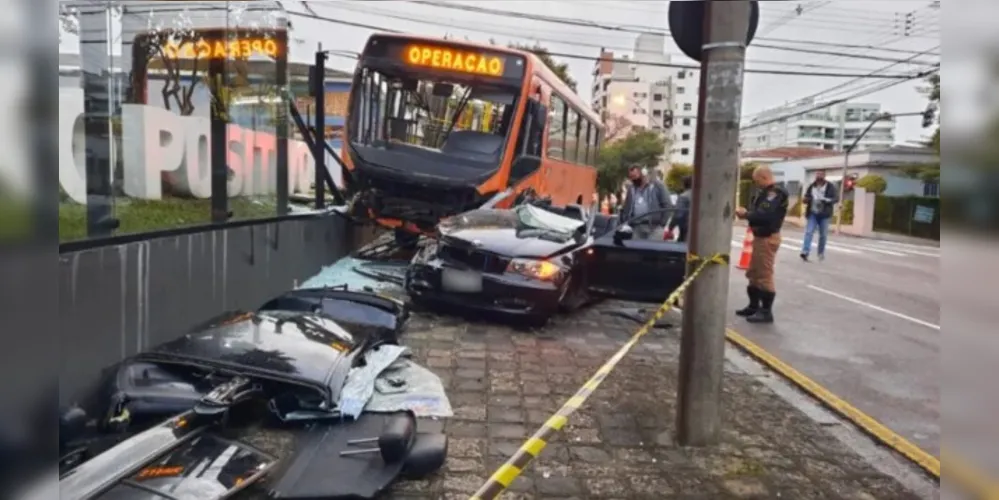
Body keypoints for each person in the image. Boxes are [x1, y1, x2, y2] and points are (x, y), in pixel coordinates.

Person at [735, 165, 789, 323]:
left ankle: (766, 311)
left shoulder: (775, 193)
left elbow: (765, 215)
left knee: (764, 274)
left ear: (764, 177)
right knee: (753, 273)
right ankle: (753, 306)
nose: (756, 183)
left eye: (757, 180)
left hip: (768, 237)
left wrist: (746, 214)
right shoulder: (765, 193)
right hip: (759, 237)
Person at [619, 165, 674, 240]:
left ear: (643, 174)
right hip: (636, 228)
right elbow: (627, 207)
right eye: (631, 177)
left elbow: (667, 205)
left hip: (654, 228)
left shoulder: (657, 186)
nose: (633, 179)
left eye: (635, 176)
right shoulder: (631, 189)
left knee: (651, 250)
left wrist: (662, 224)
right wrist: (626, 220)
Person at [800, 171, 838, 261]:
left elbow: (835, 198)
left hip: (824, 214)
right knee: (809, 232)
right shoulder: (811, 186)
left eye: (821, 174)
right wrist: (806, 199)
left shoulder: (830, 186)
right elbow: (806, 196)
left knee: (823, 235)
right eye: (817, 174)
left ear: (824, 176)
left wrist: (826, 200)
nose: (819, 176)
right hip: (813, 213)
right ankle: (805, 252)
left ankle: (820, 253)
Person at [669, 175, 693, 242]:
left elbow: (678, 214)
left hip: (685, 230)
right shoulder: (700, 195)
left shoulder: (683, 196)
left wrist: (670, 227)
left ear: (684, 184)